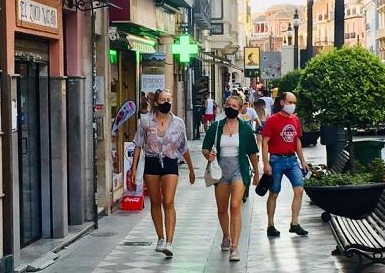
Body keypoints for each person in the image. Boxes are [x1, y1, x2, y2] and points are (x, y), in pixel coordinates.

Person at [131, 89, 196, 257]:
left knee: (168, 201)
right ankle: (160, 237)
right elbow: (138, 144)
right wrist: (134, 168)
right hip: (152, 162)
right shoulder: (146, 122)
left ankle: (170, 242)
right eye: (163, 99)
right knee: (155, 201)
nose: (167, 102)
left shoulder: (178, 123)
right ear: (156, 102)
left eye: (169, 99)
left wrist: (190, 168)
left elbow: (184, 146)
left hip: (170, 162)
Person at [202, 95, 260, 262]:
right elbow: (205, 147)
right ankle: (226, 236)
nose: (231, 108)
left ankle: (235, 247)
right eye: (229, 105)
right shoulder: (216, 126)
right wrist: (209, 155)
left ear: (240, 108)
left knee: (235, 205)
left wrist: (257, 173)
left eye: (235, 106)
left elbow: (252, 153)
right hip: (220, 170)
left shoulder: (245, 129)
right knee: (222, 209)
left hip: (239, 169)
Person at [261, 92, 309, 238]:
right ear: (282, 102)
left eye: (294, 102)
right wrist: (266, 163)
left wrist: (302, 160)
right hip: (276, 160)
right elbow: (265, 142)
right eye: (290, 102)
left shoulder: (295, 119)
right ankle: (270, 224)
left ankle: (294, 223)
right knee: (274, 192)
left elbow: (297, 141)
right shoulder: (272, 120)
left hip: (292, 159)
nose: (292, 105)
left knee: (299, 189)